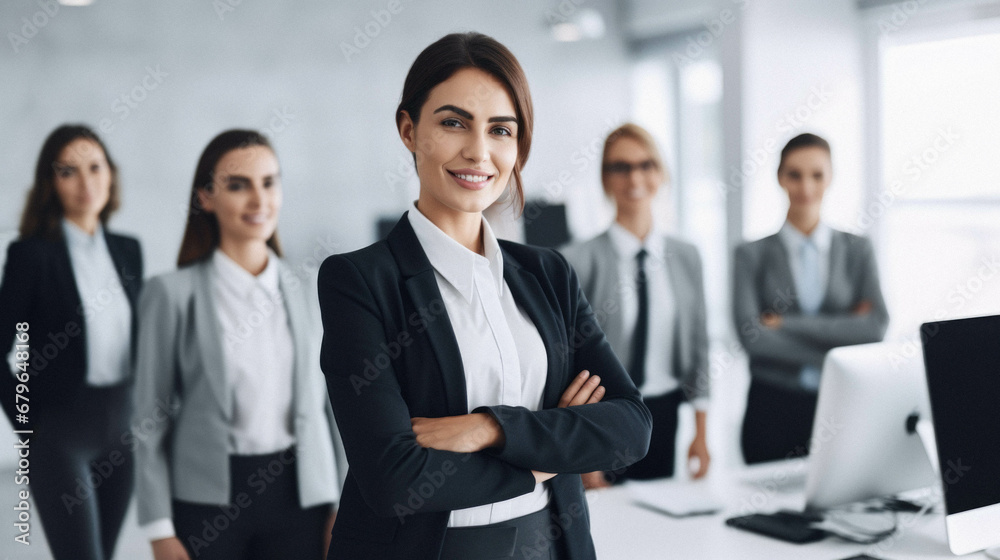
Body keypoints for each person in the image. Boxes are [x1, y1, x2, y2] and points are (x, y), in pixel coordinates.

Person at [317, 33, 651, 560]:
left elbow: (630, 426)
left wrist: (488, 427)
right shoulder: (359, 281)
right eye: (453, 123)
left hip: (551, 543)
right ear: (409, 129)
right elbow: (394, 480)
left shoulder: (547, 272)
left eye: (500, 129)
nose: (478, 151)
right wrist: (548, 456)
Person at [132, 129, 343, 560]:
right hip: (207, 502)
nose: (258, 200)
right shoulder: (170, 295)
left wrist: (343, 500)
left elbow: (333, 405)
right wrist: (158, 530)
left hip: (302, 496)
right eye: (237, 185)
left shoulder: (310, 289)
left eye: (269, 182)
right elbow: (148, 418)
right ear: (205, 197)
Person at [0, 124, 143, 560]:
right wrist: (28, 426)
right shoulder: (31, 255)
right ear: (50, 182)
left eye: (95, 167)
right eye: (69, 171)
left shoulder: (127, 250)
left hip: (122, 430)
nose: (86, 183)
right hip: (60, 436)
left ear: (111, 174)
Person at [561, 123, 710, 488]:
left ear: (660, 173)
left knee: (657, 532)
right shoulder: (577, 260)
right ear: (606, 178)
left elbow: (699, 344)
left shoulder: (686, 256)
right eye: (621, 167)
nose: (635, 177)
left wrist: (702, 432)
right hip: (605, 419)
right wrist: (582, 454)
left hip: (665, 412)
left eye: (646, 165)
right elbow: (569, 361)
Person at [733, 132, 889, 464]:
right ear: (779, 177)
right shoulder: (750, 255)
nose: (806, 187)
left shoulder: (857, 250)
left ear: (830, 177)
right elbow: (752, 336)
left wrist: (785, 324)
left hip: (841, 405)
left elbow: (875, 327)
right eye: (794, 174)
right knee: (767, 513)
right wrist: (842, 338)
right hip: (771, 408)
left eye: (817, 175)